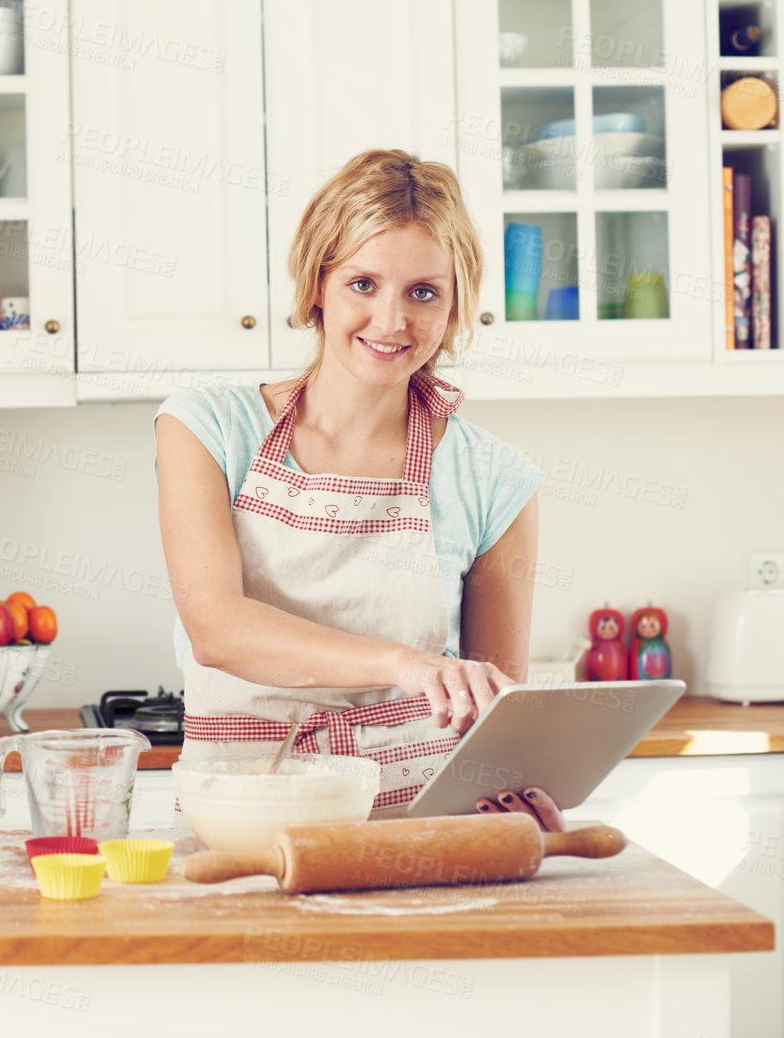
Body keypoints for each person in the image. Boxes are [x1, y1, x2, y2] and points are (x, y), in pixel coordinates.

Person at [155, 149, 561, 829]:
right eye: (362, 283)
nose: (390, 320)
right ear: (318, 283)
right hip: (243, 821)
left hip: (415, 825)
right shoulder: (206, 425)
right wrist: (405, 664)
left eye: (423, 292)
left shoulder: (495, 478)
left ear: (456, 303)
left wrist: (512, 802)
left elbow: (489, 715)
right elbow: (215, 626)